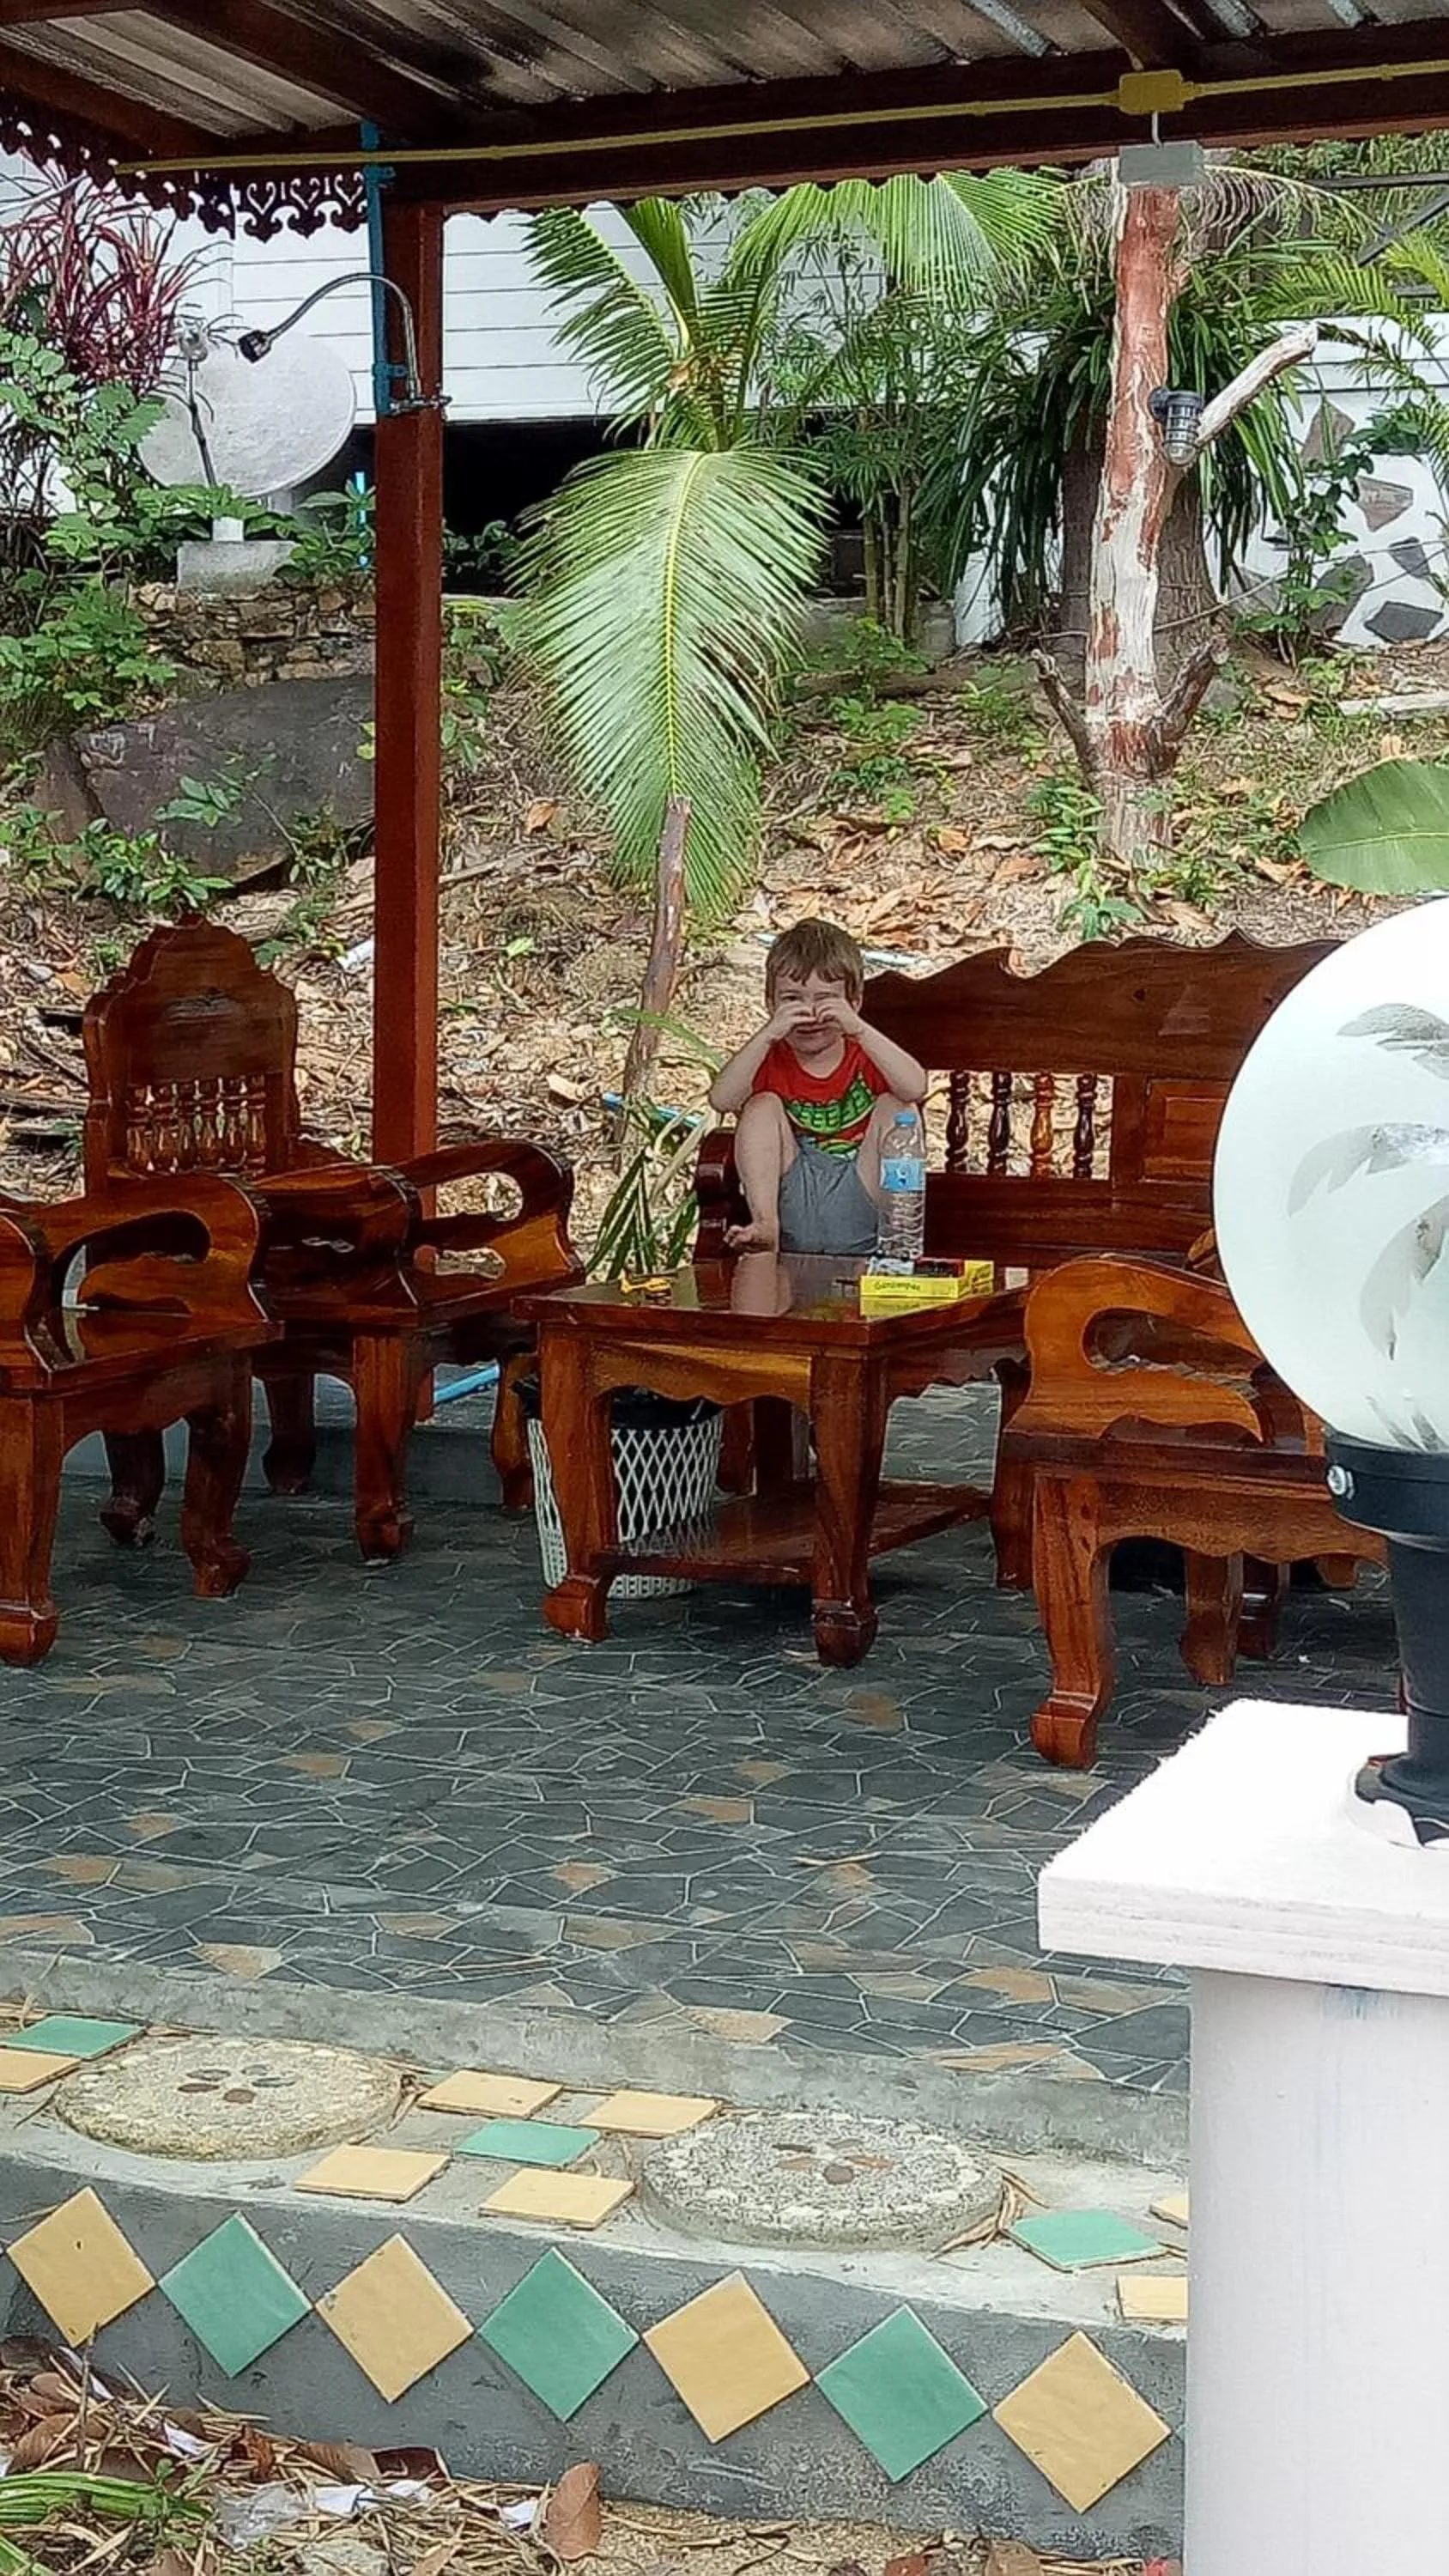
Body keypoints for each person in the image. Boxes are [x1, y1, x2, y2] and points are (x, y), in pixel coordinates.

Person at [707, 918, 929, 1255]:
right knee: (760, 1106)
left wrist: (858, 1029)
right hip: (795, 1192)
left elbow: (915, 1087)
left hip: (861, 1188)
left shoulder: (864, 1052)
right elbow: (722, 1100)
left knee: (898, 1108)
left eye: (825, 1001)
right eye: (792, 1000)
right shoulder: (770, 1056)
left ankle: (896, 1242)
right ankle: (765, 1226)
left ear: (853, 1003)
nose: (810, 1015)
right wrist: (768, 1034)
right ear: (771, 1003)